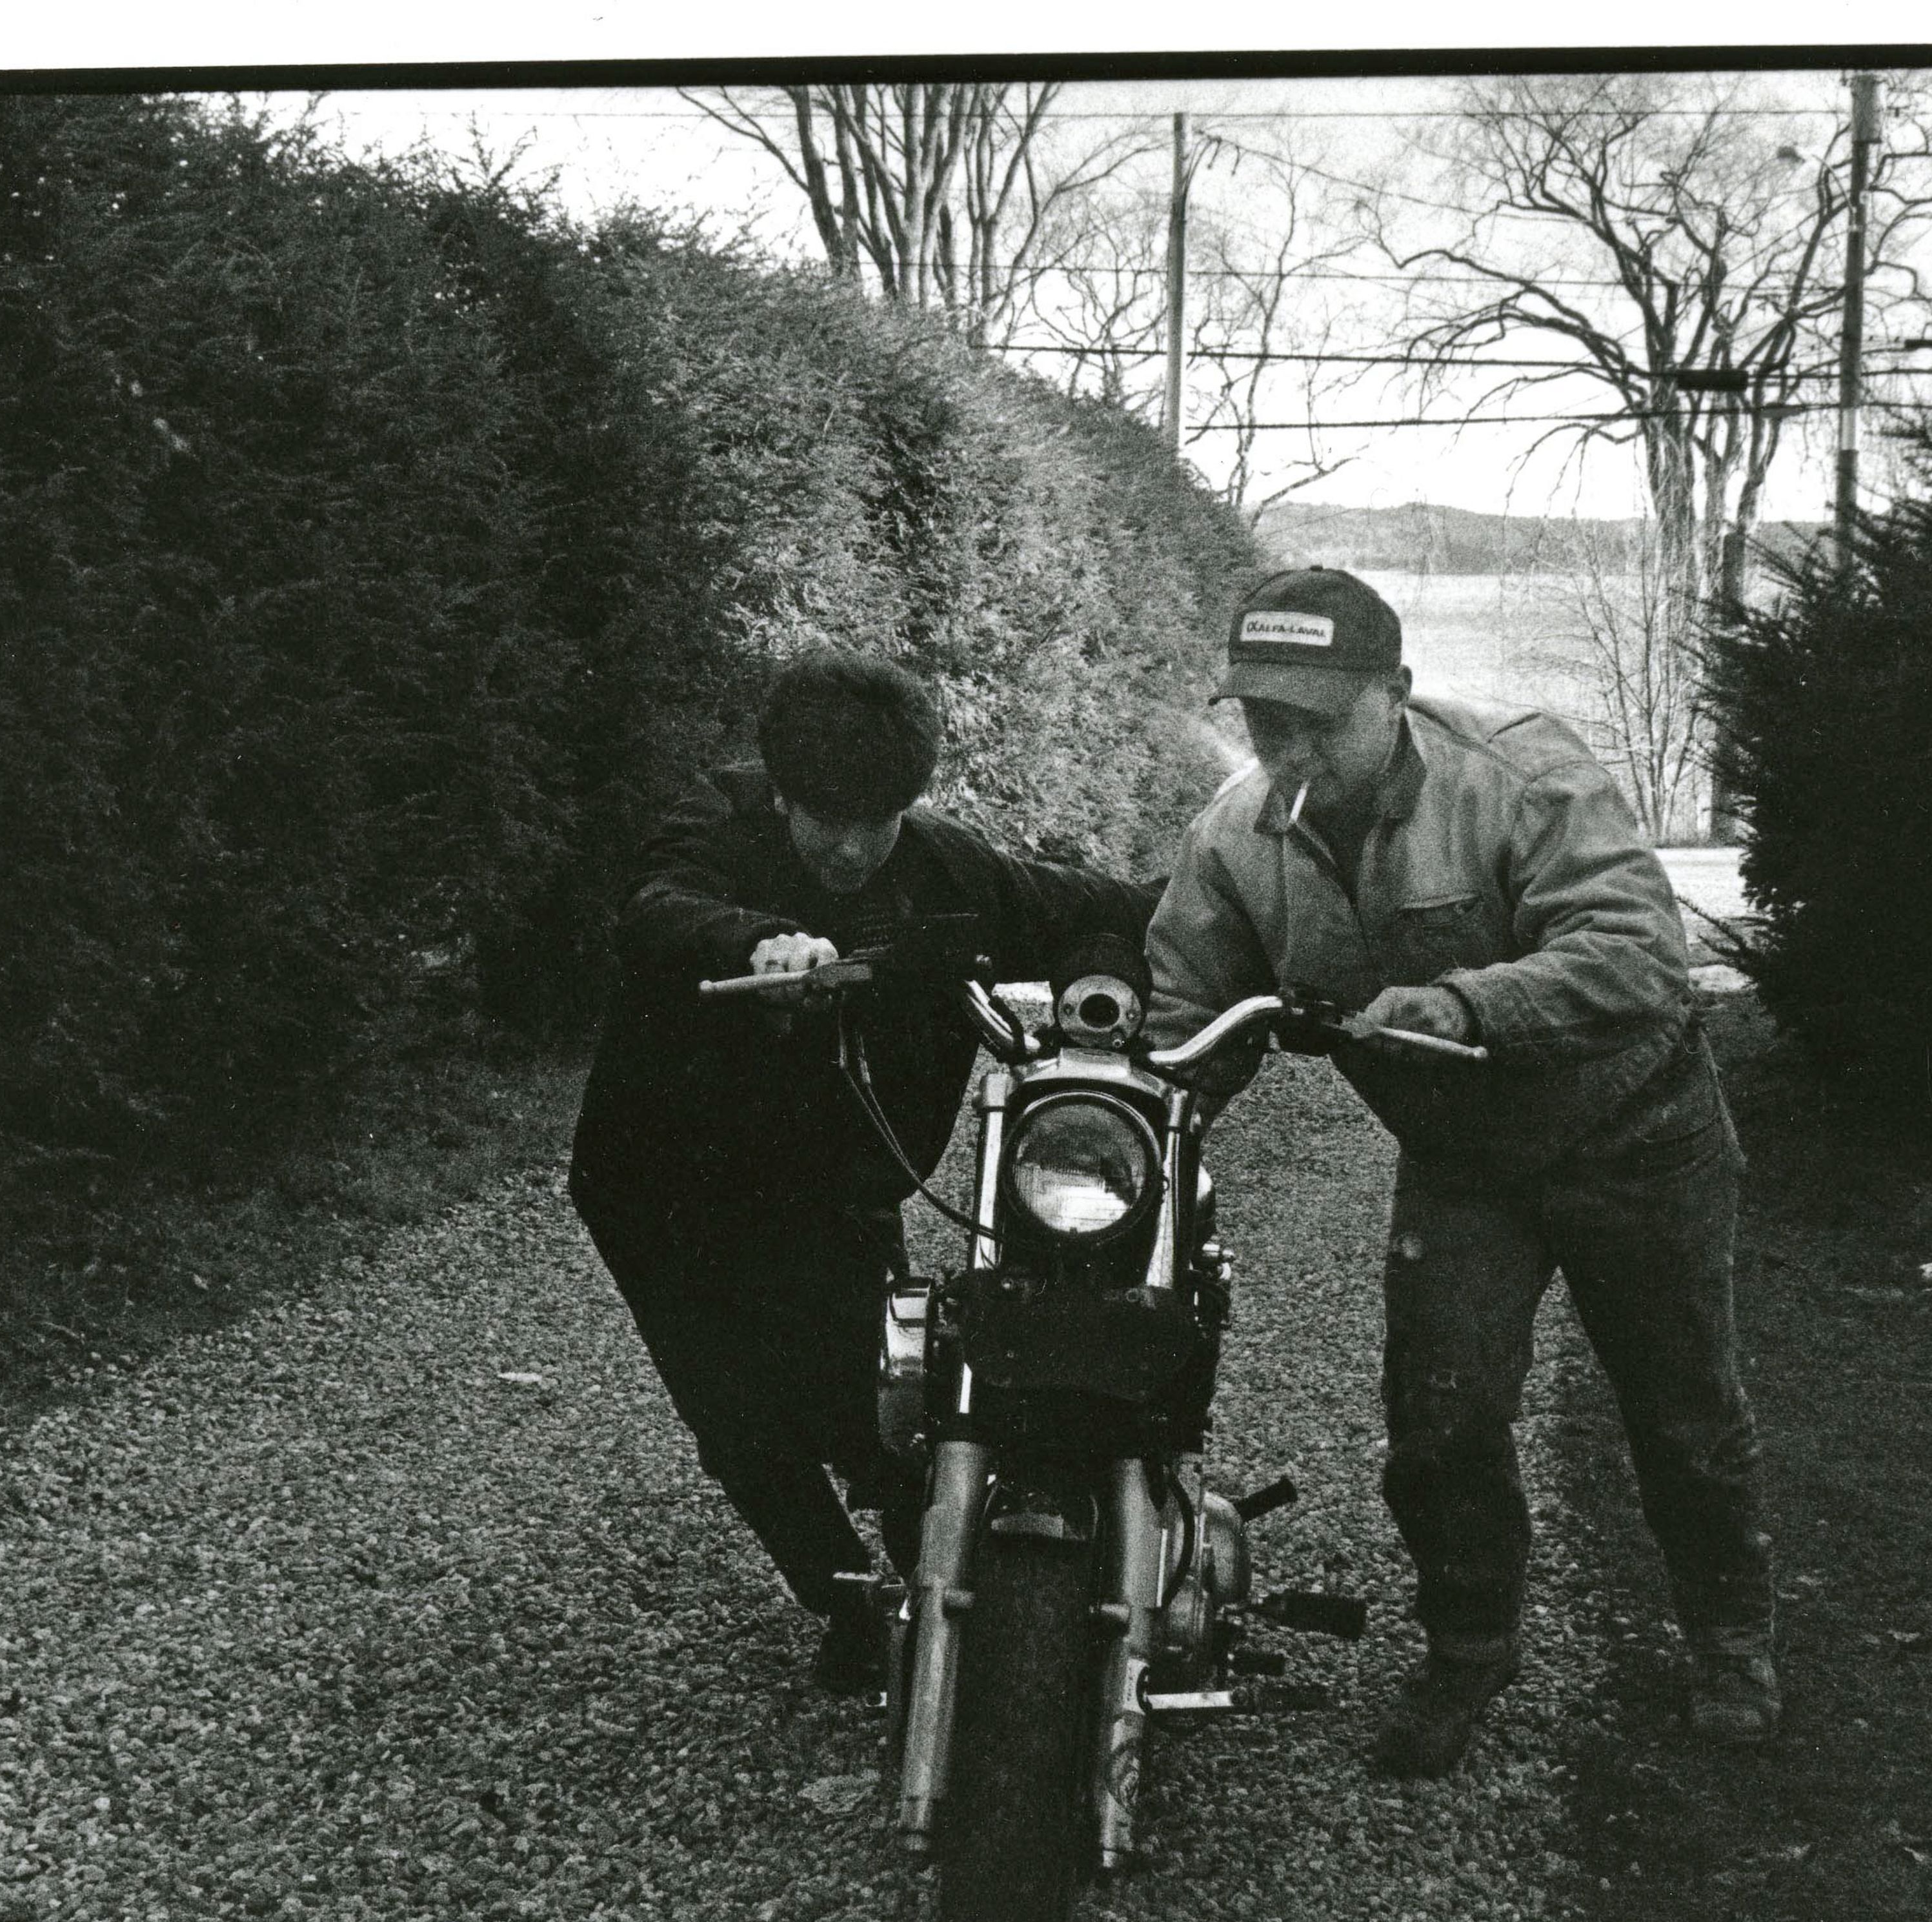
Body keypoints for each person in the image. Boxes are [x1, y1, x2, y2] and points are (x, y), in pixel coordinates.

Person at [1143, 567, 1777, 1772]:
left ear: (1396, 691)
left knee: (1682, 1408)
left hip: (1637, 1133)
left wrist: (1467, 1003)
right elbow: (1188, 1014)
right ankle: (1469, 1649)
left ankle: (1730, 1639)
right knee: (1439, 1423)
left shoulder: (1523, 776)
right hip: (1467, 1163)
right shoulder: (1230, 840)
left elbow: (1638, 952)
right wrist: (1139, 1132)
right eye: (1265, 721)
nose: (1289, 749)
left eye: (1318, 719)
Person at [570, 649, 1160, 1693]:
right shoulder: (714, 825)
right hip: (664, 1186)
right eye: (825, 820)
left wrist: (1112, 972)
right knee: (740, 1417)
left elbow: (1111, 911)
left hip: (836, 1182)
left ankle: (936, 1590)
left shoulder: (949, 872)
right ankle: (843, 1603)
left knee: (884, 1395)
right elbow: (657, 906)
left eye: (876, 822)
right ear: (782, 792)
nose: (850, 849)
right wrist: (757, 944)